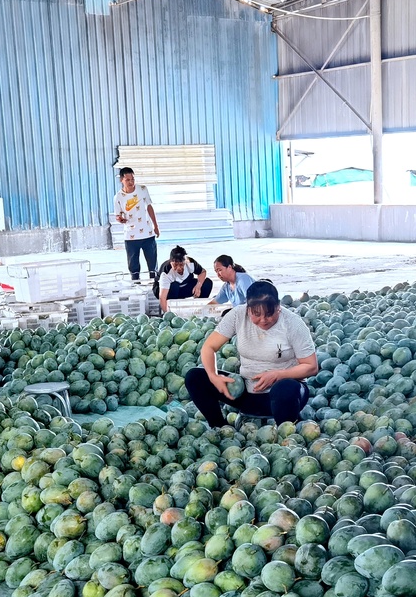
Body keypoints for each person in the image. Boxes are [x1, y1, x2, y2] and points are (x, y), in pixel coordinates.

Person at [184, 280, 318, 427]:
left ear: (278, 307)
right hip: (247, 394)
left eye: (269, 314)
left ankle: (285, 430)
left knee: (285, 388)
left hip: (285, 396)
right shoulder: (237, 315)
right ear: (248, 309)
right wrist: (213, 376)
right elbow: (208, 347)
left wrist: (277, 375)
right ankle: (219, 427)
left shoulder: (293, 323)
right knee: (194, 377)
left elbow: (311, 366)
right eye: (256, 314)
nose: (263, 320)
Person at [113, 167, 159, 283]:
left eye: (132, 179)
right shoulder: (118, 197)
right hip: (131, 236)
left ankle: (155, 285)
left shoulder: (142, 189)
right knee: (133, 265)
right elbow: (118, 215)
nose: (131, 182)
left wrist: (156, 226)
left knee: (153, 263)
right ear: (121, 180)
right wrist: (120, 219)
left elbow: (149, 207)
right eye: (127, 180)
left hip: (147, 233)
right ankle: (136, 285)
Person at [156, 245, 212, 312]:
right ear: (170, 263)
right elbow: (162, 297)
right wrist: (167, 313)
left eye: (181, 265)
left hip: (184, 286)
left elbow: (202, 272)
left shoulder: (190, 263)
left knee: (207, 283)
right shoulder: (165, 272)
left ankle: (199, 310)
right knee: (175, 285)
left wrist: (198, 285)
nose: (179, 268)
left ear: (185, 262)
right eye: (175, 265)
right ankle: (173, 310)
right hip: (167, 291)